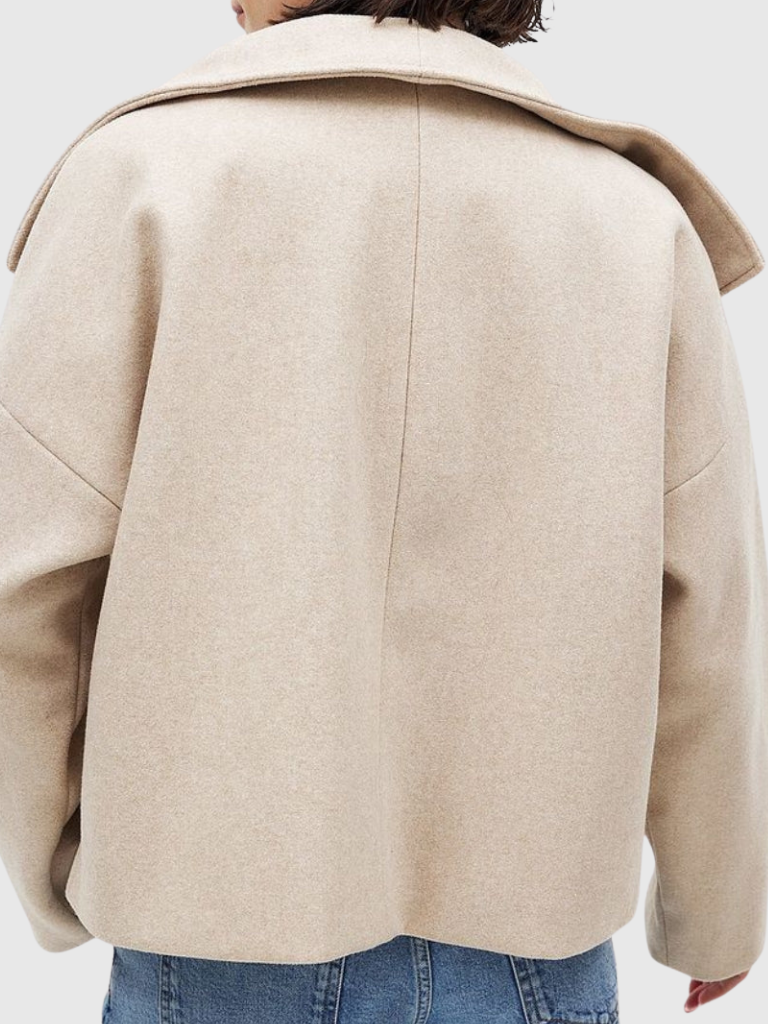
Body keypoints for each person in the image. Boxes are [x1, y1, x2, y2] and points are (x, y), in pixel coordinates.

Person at [0, 1, 766, 1021]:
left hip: (216, 931)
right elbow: (709, 613)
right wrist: (717, 908)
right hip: (533, 950)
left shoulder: (141, 178)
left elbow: (25, 585)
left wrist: (59, 870)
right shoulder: (635, 220)